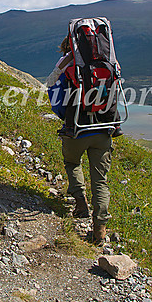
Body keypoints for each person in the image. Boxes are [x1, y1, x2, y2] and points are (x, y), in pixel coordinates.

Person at [46, 35, 115, 245]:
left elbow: (53, 91)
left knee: (73, 162)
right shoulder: (108, 61)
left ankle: (80, 204)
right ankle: (100, 230)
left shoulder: (66, 63)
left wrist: (65, 116)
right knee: (100, 181)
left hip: (76, 129)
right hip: (103, 130)